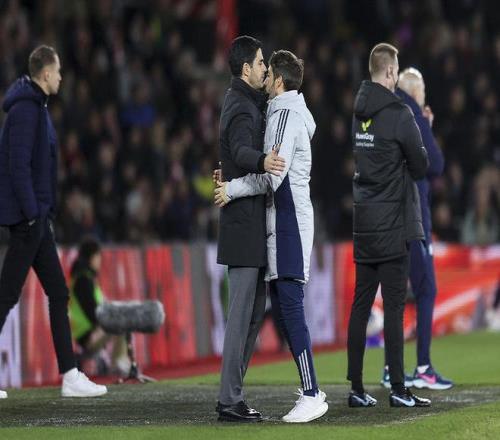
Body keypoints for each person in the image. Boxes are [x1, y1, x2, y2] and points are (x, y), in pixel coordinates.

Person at [215, 50, 328, 423]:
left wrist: (231, 188)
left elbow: (272, 175)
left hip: (288, 223)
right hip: (286, 222)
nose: (263, 74)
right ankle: (308, 390)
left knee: (290, 307)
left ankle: (311, 392)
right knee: (283, 308)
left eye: (267, 69)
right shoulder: (285, 111)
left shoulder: (284, 114)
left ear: (278, 81)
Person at [0, 45, 107, 398]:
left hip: (38, 220)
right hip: (29, 221)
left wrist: (41, 214)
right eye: (58, 71)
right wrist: (32, 214)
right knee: (6, 295)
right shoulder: (26, 110)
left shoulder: (37, 107)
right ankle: (70, 373)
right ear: (45, 73)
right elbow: (17, 167)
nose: (61, 77)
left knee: (58, 293)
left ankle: (70, 374)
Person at [346, 42, 431, 408]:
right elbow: (421, 165)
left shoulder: (358, 112)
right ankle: (398, 388)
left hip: (364, 221)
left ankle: (356, 388)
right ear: (391, 72)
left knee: (361, 305)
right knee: (394, 308)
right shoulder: (399, 113)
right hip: (394, 223)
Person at [215, 36, 286, 422]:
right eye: (260, 63)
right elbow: (241, 151)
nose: (264, 68)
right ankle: (229, 399)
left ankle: (234, 394)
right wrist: (263, 161)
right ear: (246, 69)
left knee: (254, 314)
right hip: (242, 226)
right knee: (242, 316)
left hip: (249, 224)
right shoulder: (241, 106)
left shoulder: (244, 101)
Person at [380, 67, 453, 390]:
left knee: (395, 293)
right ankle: (423, 367)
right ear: (414, 91)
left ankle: (389, 368)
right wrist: (426, 126)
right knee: (427, 290)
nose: (425, 97)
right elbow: (435, 164)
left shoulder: (387, 114)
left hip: (388, 216)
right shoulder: (414, 115)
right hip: (414, 218)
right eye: (422, 91)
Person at [69, 236, 128, 375]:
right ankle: (118, 364)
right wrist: (102, 325)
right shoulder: (83, 280)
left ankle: (119, 363)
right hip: (88, 335)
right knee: (122, 324)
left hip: (86, 332)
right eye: (98, 256)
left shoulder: (83, 278)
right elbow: (91, 310)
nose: (100, 260)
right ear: (91, 257)